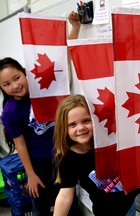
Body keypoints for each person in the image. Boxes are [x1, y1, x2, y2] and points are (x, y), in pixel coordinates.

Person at [0, 12, 81, 216]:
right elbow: (19, 144)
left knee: (69, 201)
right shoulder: (10, 111)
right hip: (39, 162)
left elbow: (62, 58)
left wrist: (75, 28)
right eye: (6, 84)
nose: (15, 86)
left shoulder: (41, 83)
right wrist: (31, 174)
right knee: (42, 205)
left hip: (62, 152)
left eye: (17, 78)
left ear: (25, 72)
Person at [53, 94, 140, 216]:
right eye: (73, 124)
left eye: (86, 121)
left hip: (129, 206)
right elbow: (64, 196)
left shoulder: (107, 140)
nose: (81, 128)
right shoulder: (69, 161)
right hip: (105, 212)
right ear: (64, 128)